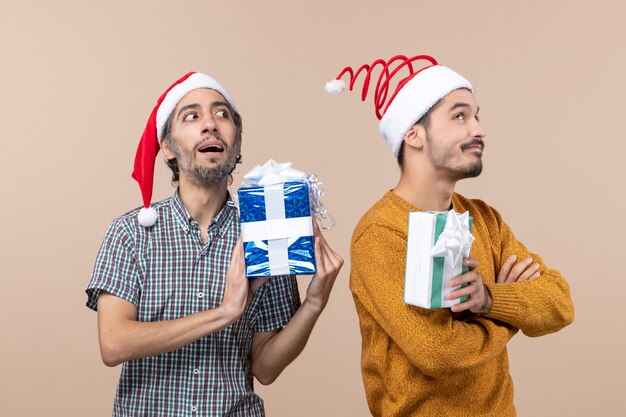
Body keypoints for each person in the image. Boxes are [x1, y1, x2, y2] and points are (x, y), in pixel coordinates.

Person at [325, 55, 574, 416]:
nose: (478, 130)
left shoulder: (484, 219)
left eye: (476, 116)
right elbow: (439, 352)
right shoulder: (382, 234)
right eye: (459, 116)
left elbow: (560, 303)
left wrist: (488, 299)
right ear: (413, 133)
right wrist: (509, 315)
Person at [86, 72, 343, 417]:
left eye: (222, 114)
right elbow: (114, 343)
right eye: (191, 116)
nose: (210, 124)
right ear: (167, 147)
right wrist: (224, 313)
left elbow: (265, 368)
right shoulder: (130, 233)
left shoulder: (265, 231)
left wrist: (313, 303)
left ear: (235, 143)